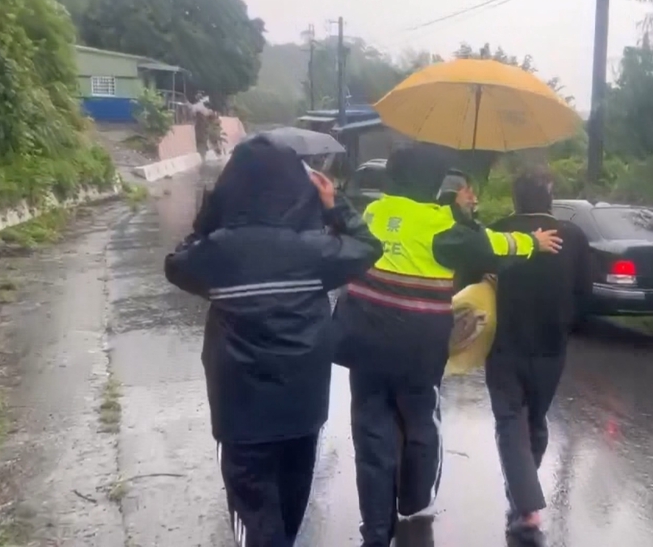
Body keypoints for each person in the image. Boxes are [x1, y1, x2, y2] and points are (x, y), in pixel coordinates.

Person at [332, 143, 563, 547]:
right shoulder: (442, 227)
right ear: (435, 183)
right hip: (418, 351)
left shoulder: (374, 212)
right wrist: (532, 242)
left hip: (364, 344)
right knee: (422, 424)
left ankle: (375, 532)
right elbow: (493, 247)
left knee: (371, 437)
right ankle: (414, 500)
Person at [164, 135, 382, 547]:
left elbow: (177, 262)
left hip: (240, 415)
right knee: (288, 511)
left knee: (257, 520)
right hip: (303, 410)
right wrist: (334, 206)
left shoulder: (218, 252)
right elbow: (369, 247)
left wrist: (212, 215)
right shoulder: (315, 251)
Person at [482, 169, 591, 545]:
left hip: (505, 344)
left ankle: (525, 504)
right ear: (550, 196)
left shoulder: (499, 231)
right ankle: (523, 496)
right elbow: (585, 290)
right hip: (551, 348)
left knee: (511, 420)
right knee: (535, 419)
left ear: (515, 196)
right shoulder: (573, 236)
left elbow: (471, 274)